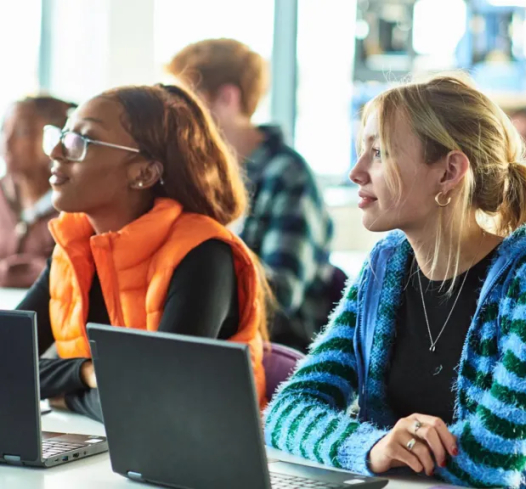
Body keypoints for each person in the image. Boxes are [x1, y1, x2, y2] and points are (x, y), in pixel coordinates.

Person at [263, 74, 526, 488]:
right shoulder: (384, 267)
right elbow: (287, 410)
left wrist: (394, 451)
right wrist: (374, 447)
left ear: (449, 171)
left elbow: (495, 455)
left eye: (379, 153)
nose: (356, 172)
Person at [16, 84, 270, 421]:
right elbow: (6, 363)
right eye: (62, 134)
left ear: (144, 172)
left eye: (83, 140)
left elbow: (152, 404)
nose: (57, 151)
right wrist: (84, 373)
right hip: (101, 450)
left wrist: (64, 395)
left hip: (204, 462)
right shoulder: (72, 246)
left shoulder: (203, 255)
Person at [168, 39, 335, 351]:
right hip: (221, 340)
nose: (179, 120)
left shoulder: (287, 174)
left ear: (227, 98)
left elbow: (281, 295)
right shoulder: (203, 175)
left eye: (188, 104)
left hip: (280, 349)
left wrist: (197, 287)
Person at [0, 96, 76, 288]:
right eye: (3, 130)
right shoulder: (2, 194)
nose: (7, 142)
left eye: (22, 132)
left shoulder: (76, 204)